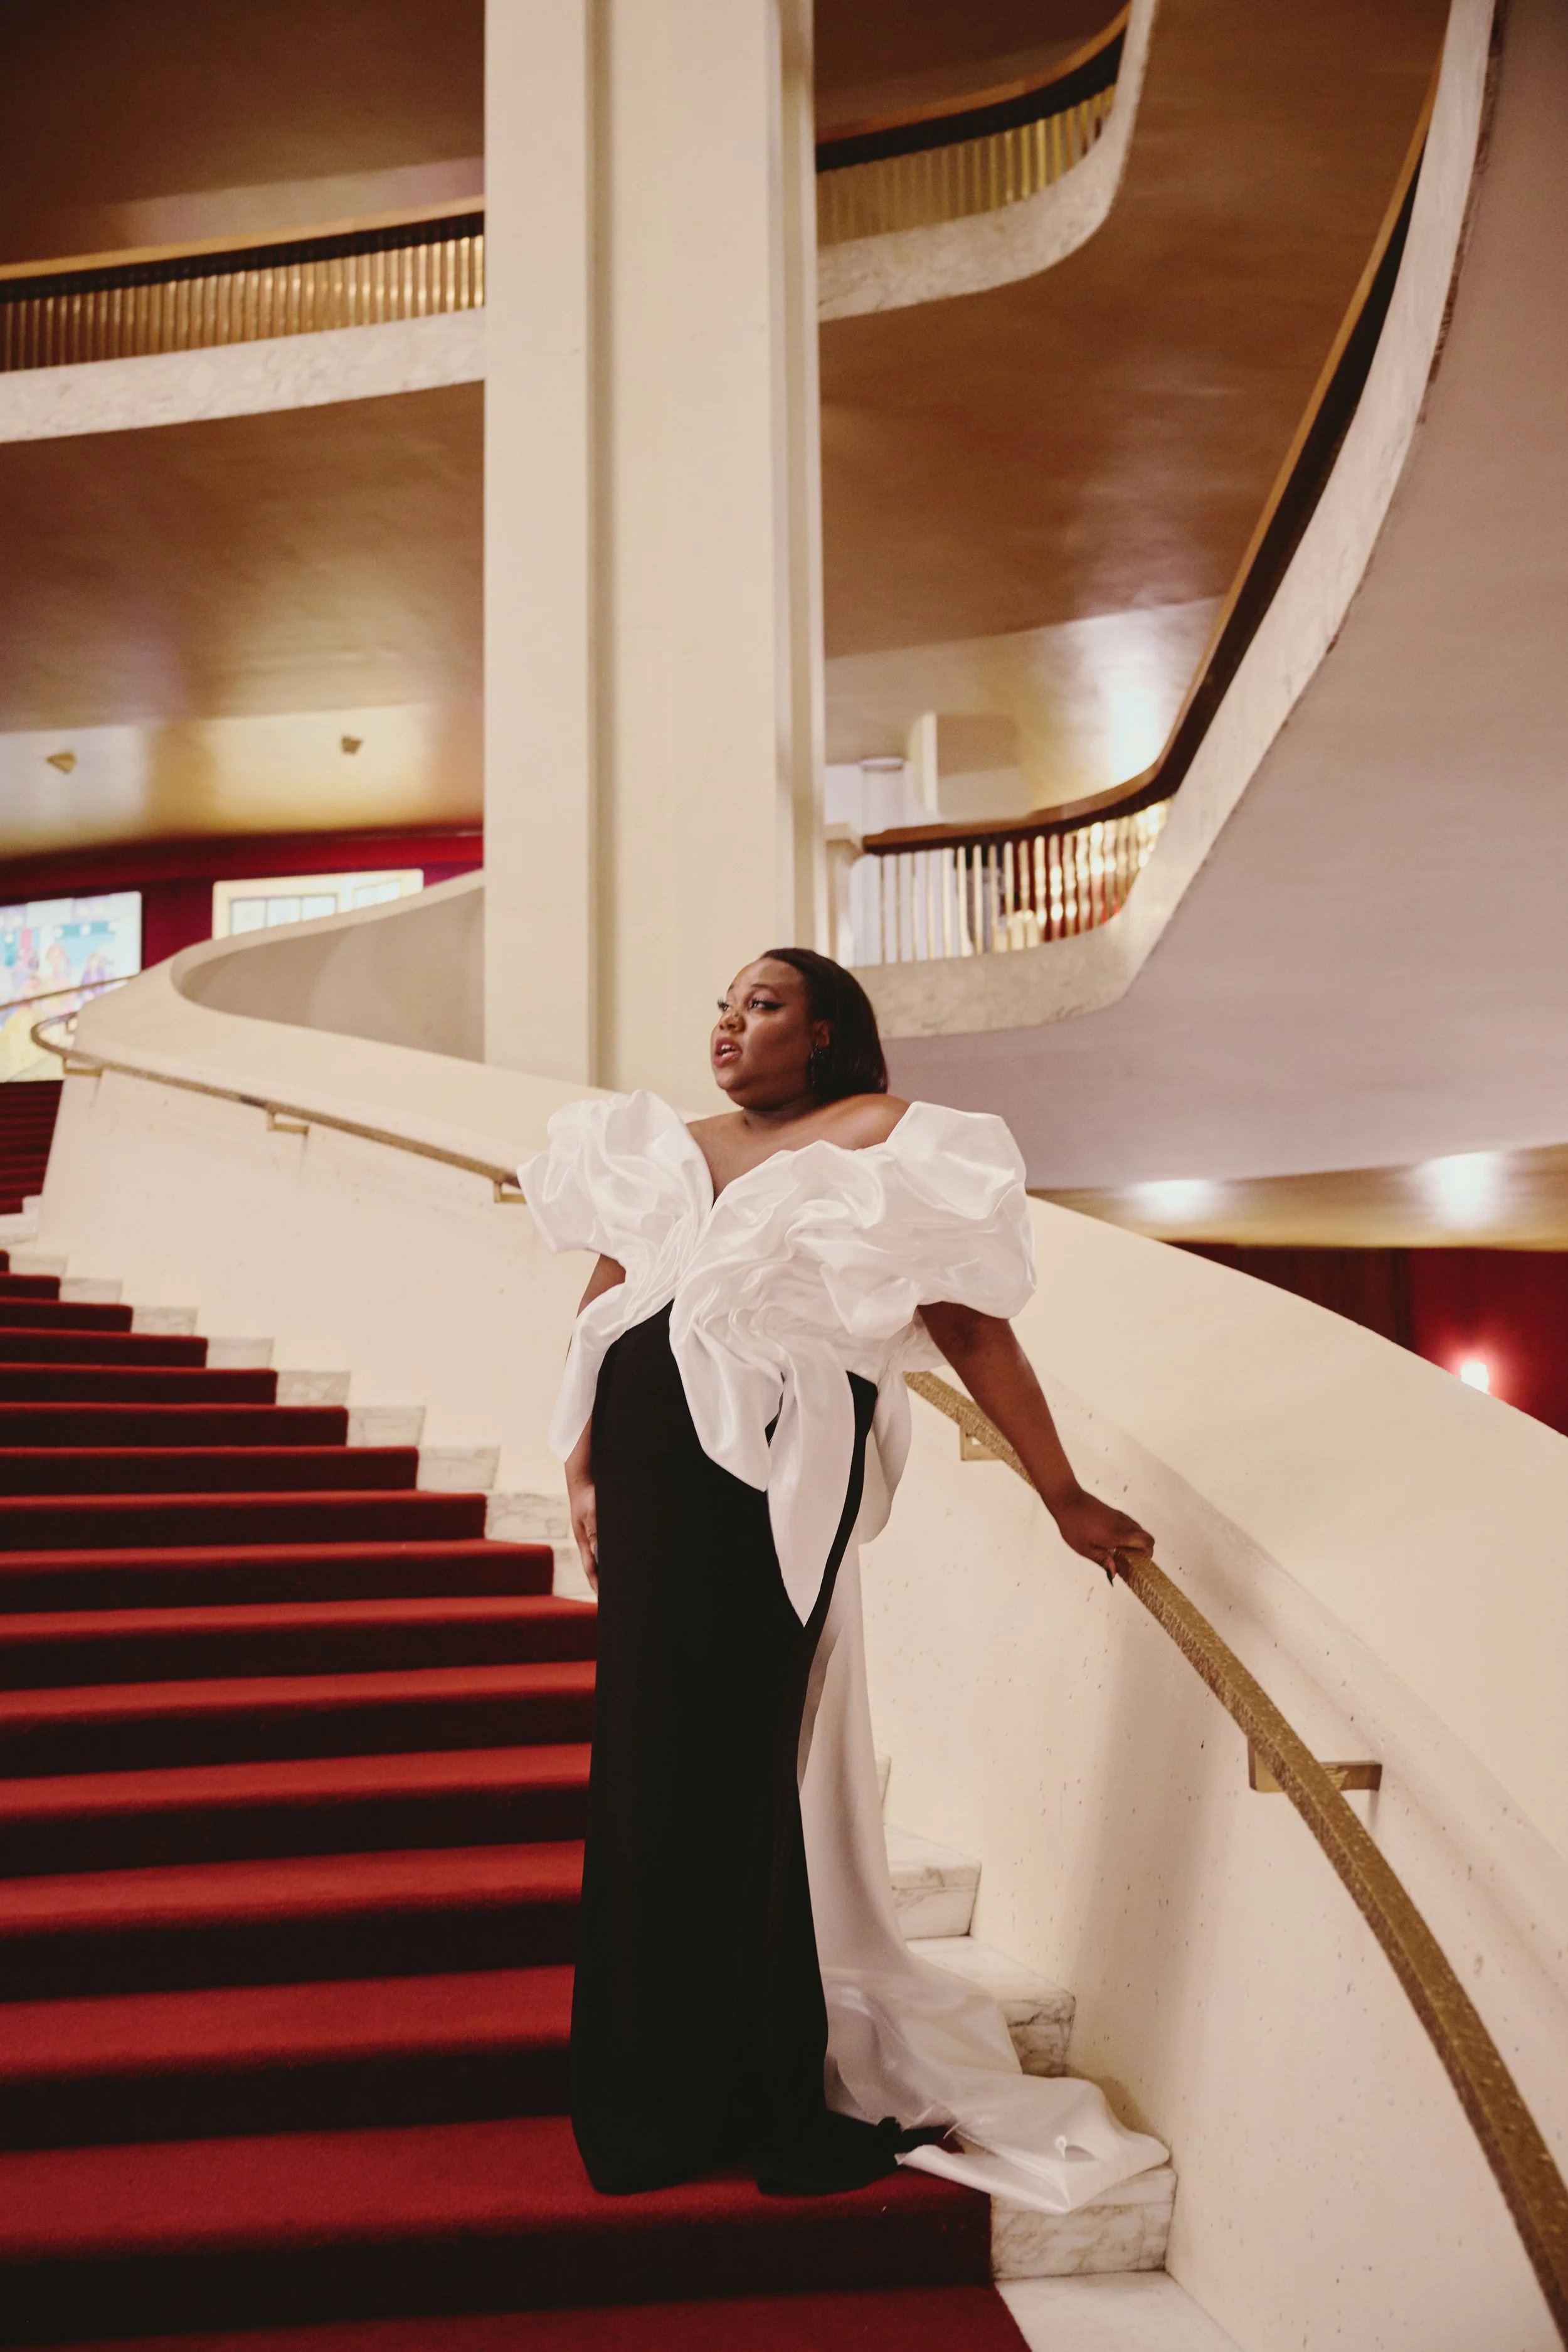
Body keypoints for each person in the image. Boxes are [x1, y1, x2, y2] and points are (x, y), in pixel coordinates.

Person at [520, 948, 1168, 2208]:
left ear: (822, 1032)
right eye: (719, 1005)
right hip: (653, 1476)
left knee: (738, 1766)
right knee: (647, 1758)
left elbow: (973, 1325)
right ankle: (644, 2091)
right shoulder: (660, 1140)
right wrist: (581, 1472)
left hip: (775, 1480)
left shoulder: (884, 1133)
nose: (728, 1025)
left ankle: (746, 2079)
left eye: (760, 1005)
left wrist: (1060, 1492)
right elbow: (604, 1307)